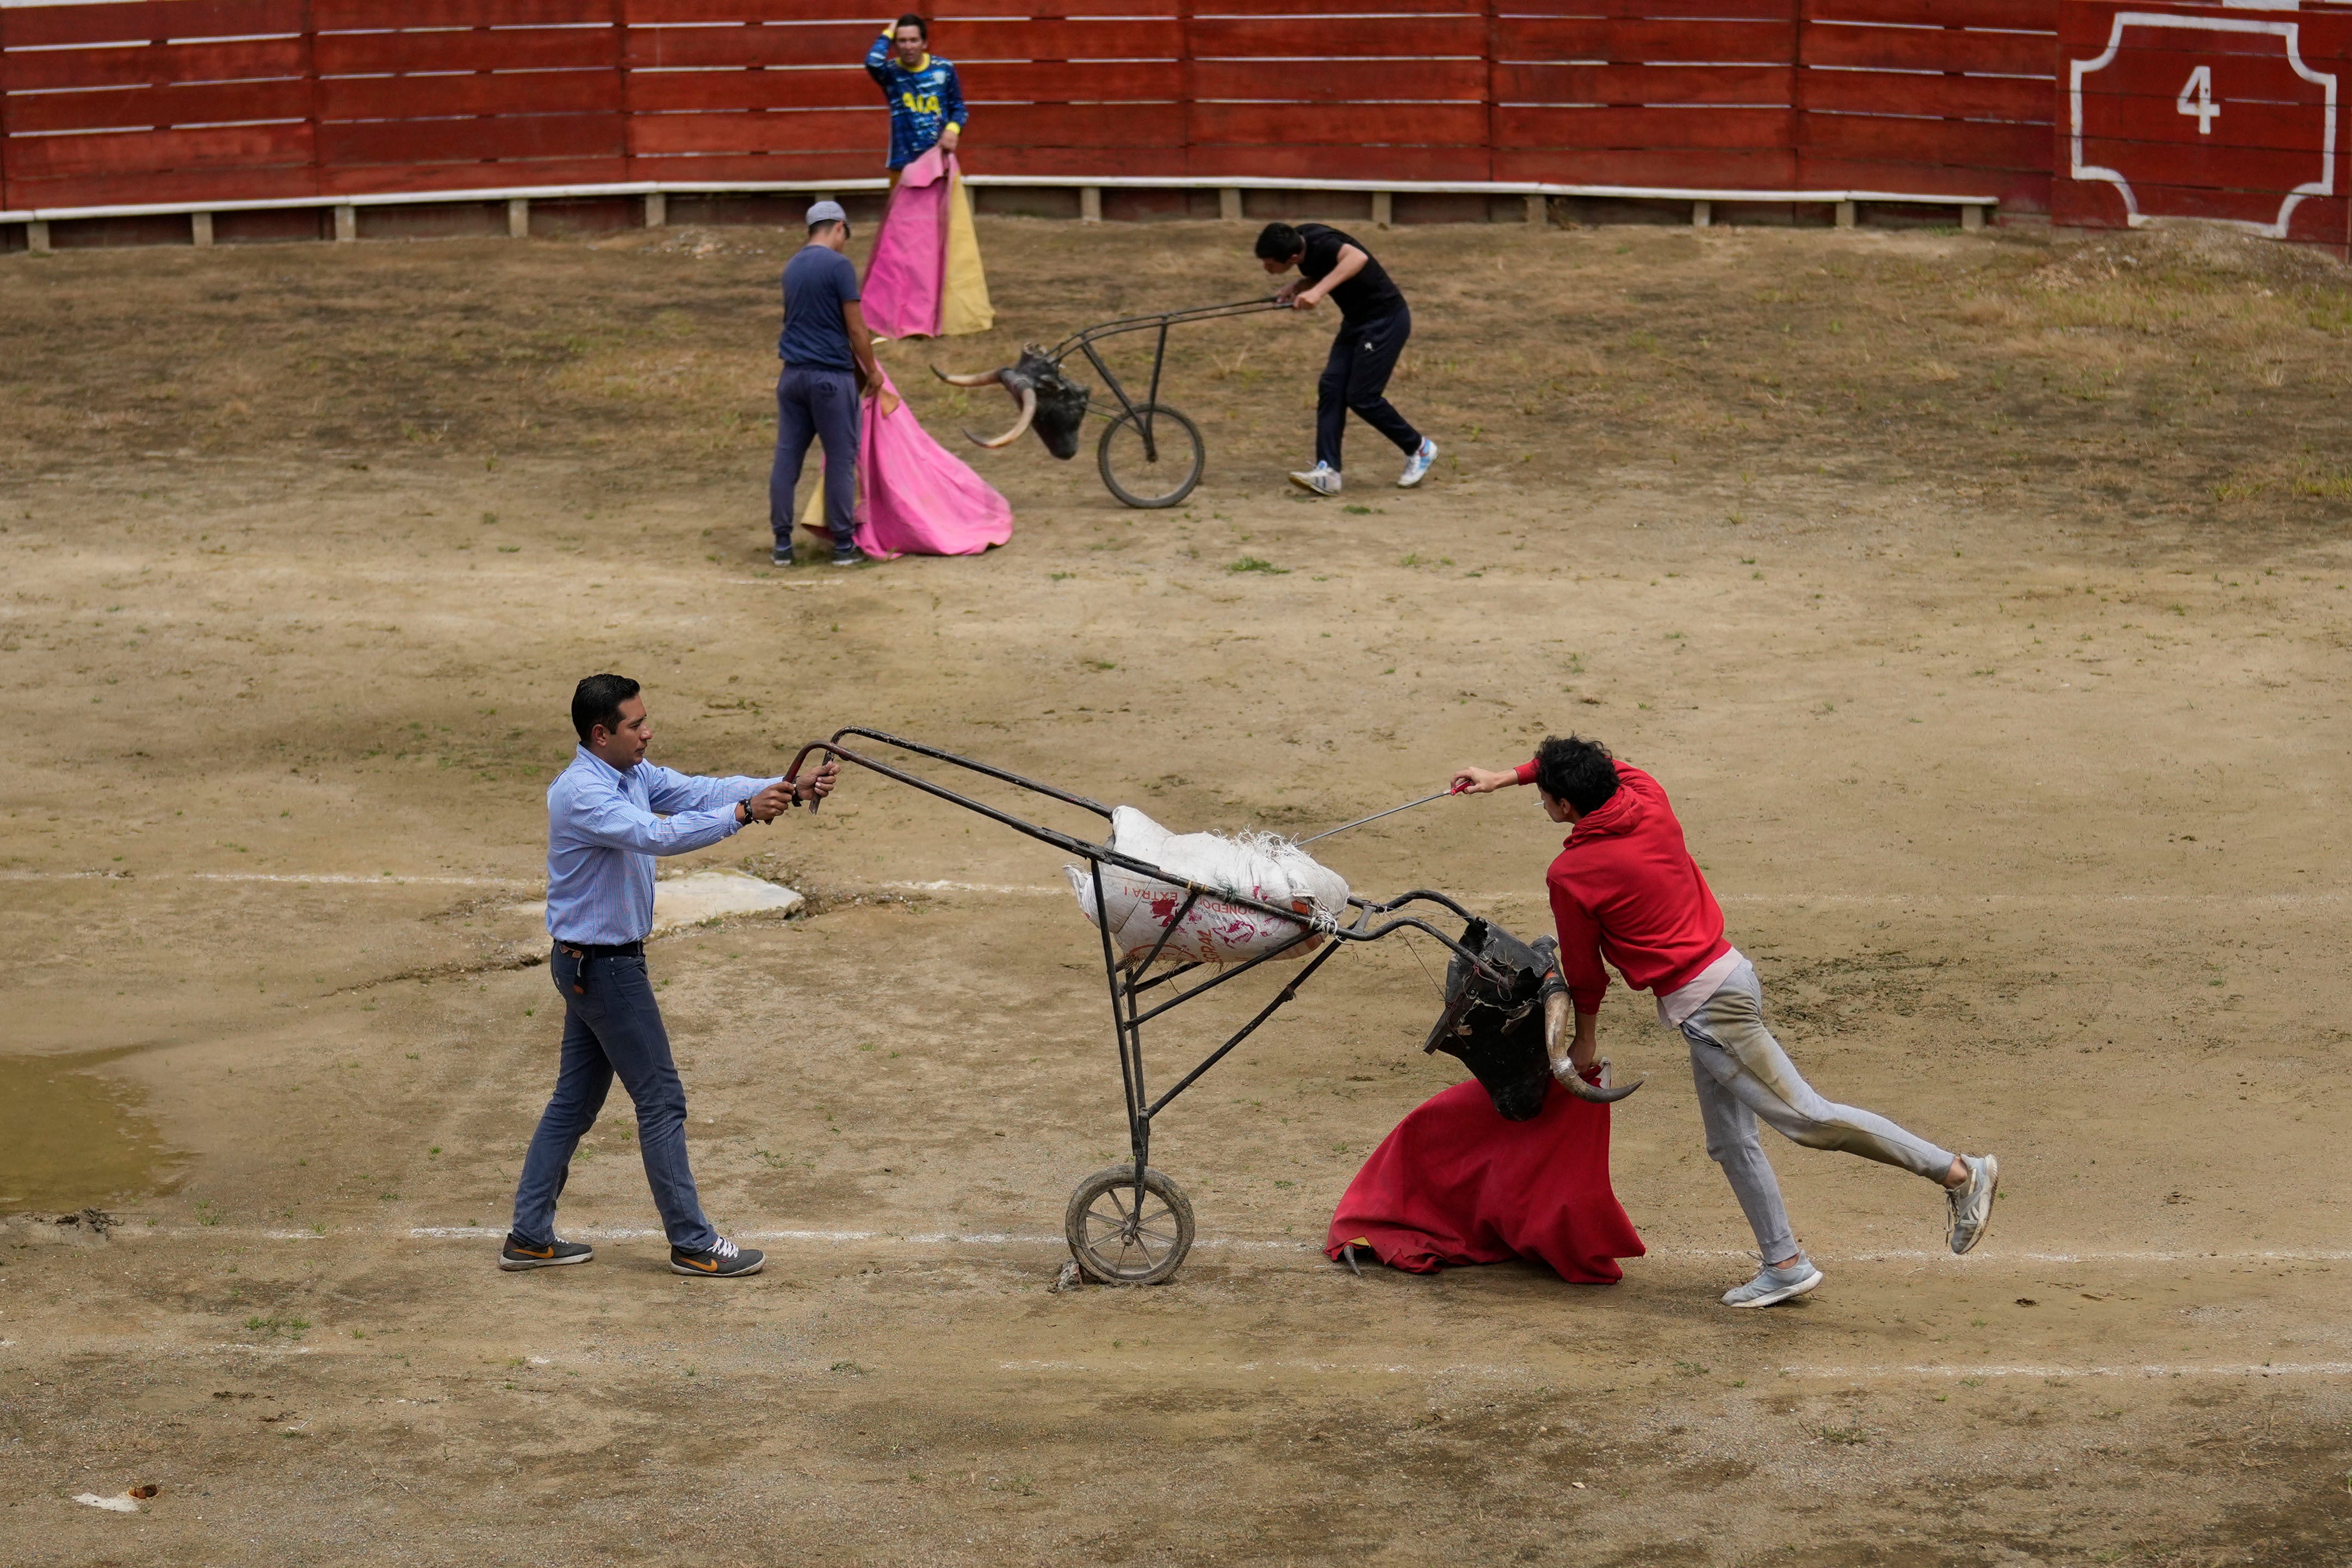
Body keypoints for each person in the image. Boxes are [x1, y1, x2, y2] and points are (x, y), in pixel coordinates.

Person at [1450, 735, 2000, 1309]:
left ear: (1564, 806)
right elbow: (1598, 766)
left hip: (1711, 1008)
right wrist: (1504, 777)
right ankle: (1784, 1263)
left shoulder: (1572, 873)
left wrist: (1583, 1040)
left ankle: (1959, 1174)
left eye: (1542, 795)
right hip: (1728, 977)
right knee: (1731, 1141)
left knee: (1806, 1119)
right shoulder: (1646, 795)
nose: (1541, 802)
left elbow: (1586, 973)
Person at [502, 674, 839, 1279]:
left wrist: (785, 786)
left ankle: (529, 1235)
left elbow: (696, 790)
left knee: (573, 1104)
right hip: (605, 970)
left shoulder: (632, 774)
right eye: (635, 724)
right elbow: (655, 835)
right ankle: (691, 1242)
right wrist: (741, 815)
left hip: (591, 964)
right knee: (660, 1101)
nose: (647, 732)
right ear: (601, 734)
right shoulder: (582, 793)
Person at [1255, 220, 1438, 497]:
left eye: (1270, 264)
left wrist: (1317, 291)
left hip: (1385, 320)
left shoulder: (1324, 243)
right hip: (1356, 321)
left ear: (1291, 257)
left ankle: (1420, 448)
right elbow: (1326, 267)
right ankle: (1328, 472)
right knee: (1331, 387)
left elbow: (1357, 257)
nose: (1266, 269)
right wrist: (1299, 284)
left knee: (1362, 396)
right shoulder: (1300, 241)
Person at [772, 200, 896, 568]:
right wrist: (873, 371)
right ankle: (844, 545)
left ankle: (781, 544)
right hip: (830, 377)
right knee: (842, 458)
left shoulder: (792, 266)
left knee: (787, 457)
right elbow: (856, 326)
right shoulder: (838, 266)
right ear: (839, 227)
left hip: (792, 375)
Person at [865, 14, 965, 175]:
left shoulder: (944, 68)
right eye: (902, 41)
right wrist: (889, 33)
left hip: (940, 161)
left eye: (914, 40)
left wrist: (952, 130)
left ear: (925, 43)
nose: (908, 47)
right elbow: (873, 62)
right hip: (903, 163)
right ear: (895, 45)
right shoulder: (891, 72)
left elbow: (959, 108)